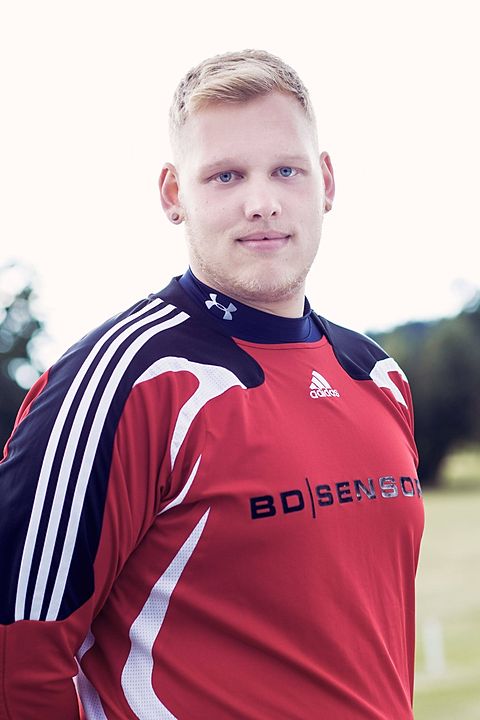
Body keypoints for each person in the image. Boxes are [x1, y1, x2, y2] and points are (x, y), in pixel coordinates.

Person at [0, 49, 424, 719]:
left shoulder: (378, 377)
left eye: (286, 170)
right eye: (226, 176)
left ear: (326, 181)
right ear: (174, 194)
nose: (263, 203)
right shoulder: (123, 383)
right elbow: (16, 657)